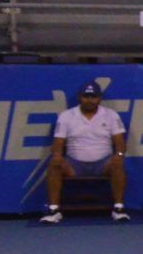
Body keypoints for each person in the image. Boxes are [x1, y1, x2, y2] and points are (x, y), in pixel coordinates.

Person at [38, 80, 132, 223]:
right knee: (54, 165)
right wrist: (56, 155)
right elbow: (58, 143)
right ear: (79, 97)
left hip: (103, 164)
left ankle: (118, 209)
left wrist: (119, 155)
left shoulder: (111, 115)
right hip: (73, 165)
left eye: (93, 97)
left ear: (99, 98)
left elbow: (119, 142)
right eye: (86, 97)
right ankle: (54, 210)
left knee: (117, 165)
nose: (89, 100)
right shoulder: (66, 116)